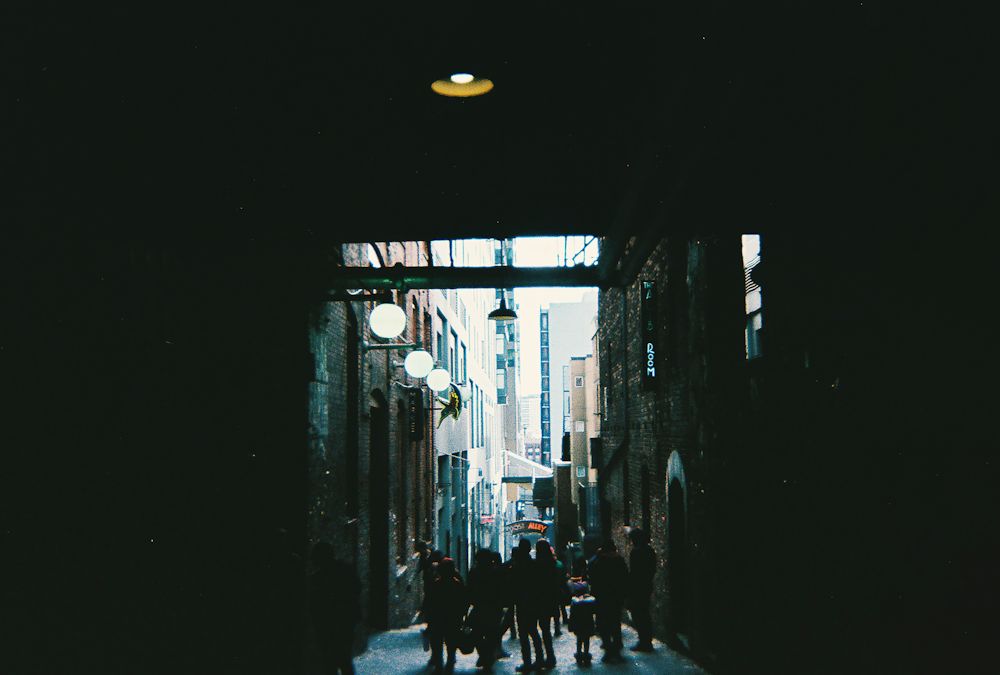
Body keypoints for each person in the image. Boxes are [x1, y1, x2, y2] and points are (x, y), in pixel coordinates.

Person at [308, 541, 361, 675]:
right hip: (345, 623)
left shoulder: (317, 579)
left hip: (328, 626)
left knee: (329, 662)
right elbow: (357, 588)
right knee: (344, 659)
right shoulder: (345, 570)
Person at [587, 538, 628, 663]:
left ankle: (608, 649)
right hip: (617, 597)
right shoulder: (620, 560)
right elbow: (625, 578)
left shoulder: (599, 561)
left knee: (603, 623)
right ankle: (616, 648)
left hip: (602, 597)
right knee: (615, 622)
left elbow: (592, 578)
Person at [425, 557, 468, 675]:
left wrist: (428, 616)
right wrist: (462, 615)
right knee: (451, 642)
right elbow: (464, 601)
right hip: (453, 618)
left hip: (438, 618)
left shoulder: (436, 584)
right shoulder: (457, 584)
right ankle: (449, 664)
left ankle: (439, 665)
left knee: (437, 642)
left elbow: (429, 601)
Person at [467, 549, 505, 672]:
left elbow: (469, 591)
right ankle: (487, 658)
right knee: (490, 636)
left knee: (478, 635)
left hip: (481, 608)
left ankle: (484, 656)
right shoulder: (496, 572)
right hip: (493, 609)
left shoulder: (474, 572)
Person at [510, 538, 543, 672]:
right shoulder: (534, 565)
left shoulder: (517, 565)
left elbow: (514, 583)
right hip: (532, 602)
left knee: (523, 634)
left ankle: (527, 662)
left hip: (522, 602)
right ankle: (539, 659)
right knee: (533, 632)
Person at [627, 529, 657, 652]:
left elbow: (633, 573)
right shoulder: (650, 551)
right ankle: (647, 641)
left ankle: (643, 641)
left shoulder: (635, 552)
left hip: (637, 588)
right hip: (647, 585)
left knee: (638, 614)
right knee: (645, 612)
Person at [533, 539, 560, 669]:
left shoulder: (538, 564)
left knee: (535, 629)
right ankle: (550, 656)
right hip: (550, 600)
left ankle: (540, 657)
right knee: (546, 630)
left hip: (539, 600)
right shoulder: (552, 563)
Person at [568, 575, 596, 666]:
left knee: (579, 640)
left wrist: (570, 626)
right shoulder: (590, 602)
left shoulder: (575, 603)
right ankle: (586, 654)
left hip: (578, 625)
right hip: (588, 624)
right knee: (587, 640)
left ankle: (579, 654)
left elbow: (572, 616)